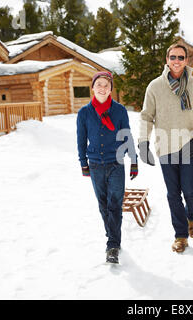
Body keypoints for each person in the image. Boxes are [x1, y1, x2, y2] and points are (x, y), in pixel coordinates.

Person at [138, 43, 193, 253]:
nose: (176, 61)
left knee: (189, 190)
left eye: (180, 57)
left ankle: (192, 215)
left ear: (186, 61)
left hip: (188, 145)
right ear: (167, 60)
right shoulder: (155, 87)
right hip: (165, 147)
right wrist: (143, 142)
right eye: (173, 57)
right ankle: (180, 235)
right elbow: (146, 116)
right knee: (173, 194)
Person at [77, 71, 138, 264]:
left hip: (116, 163)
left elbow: (126, 135)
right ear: (93, 87)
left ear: (111, 88)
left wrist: (134, 160)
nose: (102, 88)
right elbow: (81, 140)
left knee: (115, 205)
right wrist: (83, 163)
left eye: (106, 85)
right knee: (103, 205)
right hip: (95, 164)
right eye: (99, 84)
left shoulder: (119, 111)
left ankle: (112, 245)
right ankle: (112, 235)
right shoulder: (84, 113)